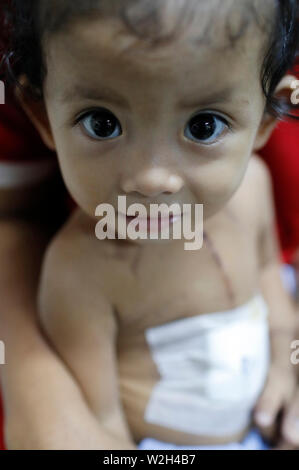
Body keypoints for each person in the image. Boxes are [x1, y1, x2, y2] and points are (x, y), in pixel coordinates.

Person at [1, 0, 299, 449]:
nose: (152, 178)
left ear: (265, 118)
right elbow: (100, 421)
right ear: (42, 114)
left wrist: (284, 362)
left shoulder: (254, 189)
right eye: (102, 123)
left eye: (203, 126)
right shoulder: (80, 271)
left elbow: (267, 280)